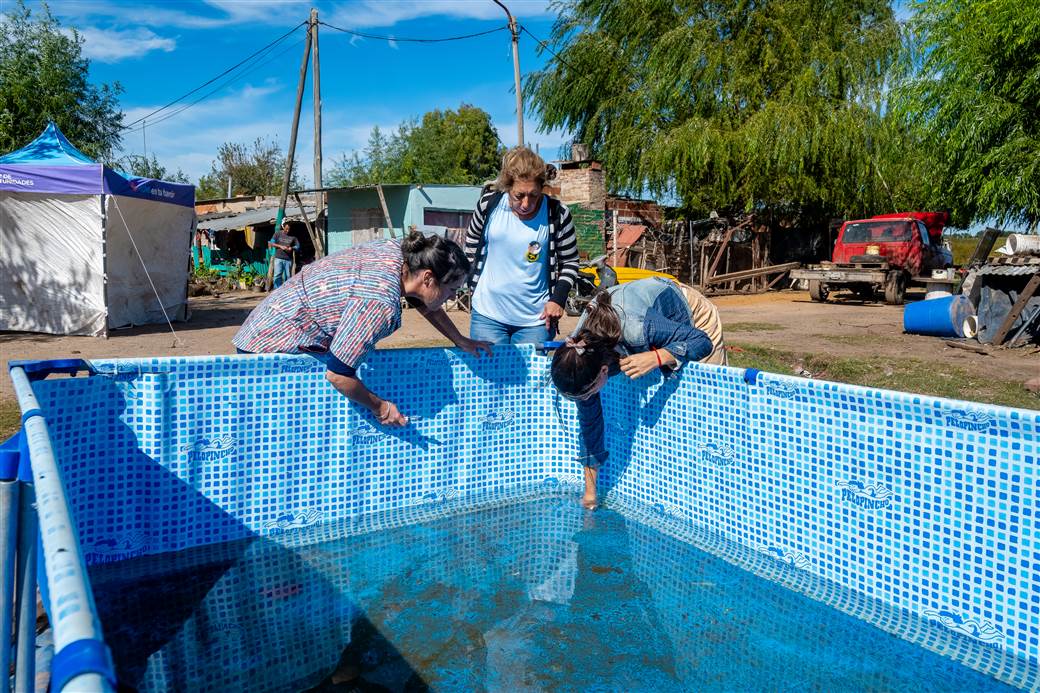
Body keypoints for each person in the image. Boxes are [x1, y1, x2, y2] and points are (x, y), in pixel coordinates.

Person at [234, 231, 492, 426]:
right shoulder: (379, 302)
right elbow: (338, 375)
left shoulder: (401, 254)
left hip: (268, 321)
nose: (450, 297)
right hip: (270, 345)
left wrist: (459, 339)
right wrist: (380, 407)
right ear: (427, 278)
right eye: (451, 290)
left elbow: (423, 301)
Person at [550, 277, 727, 509]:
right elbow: (590, 424)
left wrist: (657, 357)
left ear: (604, 371)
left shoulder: (637, 329)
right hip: (640, 317)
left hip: (691, 313)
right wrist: (590, 494)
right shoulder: (581, 355)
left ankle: (722, 486)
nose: (585, 401)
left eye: (586, 394)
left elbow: (701, 341)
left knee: (713, 400)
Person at [464, 147, 580, 345]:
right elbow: (471, 244)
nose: (526, 203)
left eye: (534, 195)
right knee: (491, 375)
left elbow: (570, 261)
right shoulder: (488, 205)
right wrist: (472, 283)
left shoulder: (557, 213)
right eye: (519, 195)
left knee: (530, 377)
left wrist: (558, 299)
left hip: (536, 322)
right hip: (487, 317)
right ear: (507, 186)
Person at [269, 219, 301, 289]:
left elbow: (298, 246)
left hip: (288, 259)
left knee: (288, 276)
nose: (287, 231)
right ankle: (277, 291)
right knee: (277, 275)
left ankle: (287, 291)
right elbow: (271, 243)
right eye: (286, 229)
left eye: (289, 229)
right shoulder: (277, 234)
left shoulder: (293, 236)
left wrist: (292, 248)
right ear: (283, 227)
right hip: (278, 258)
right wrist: (280, 246)